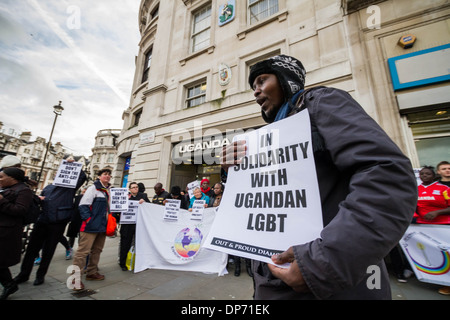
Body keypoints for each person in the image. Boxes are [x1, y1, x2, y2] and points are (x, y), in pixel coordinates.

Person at [221, 54, 417, 299]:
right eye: (253, 86)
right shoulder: (269, 134)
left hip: (330, 283)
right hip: (274, 281)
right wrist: (234, 172)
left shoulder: (322, 103)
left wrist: (325, 262)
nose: (256, 91)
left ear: (286, 80)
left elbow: (388, 176)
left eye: (261, 81)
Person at [14, 162, 86, 286]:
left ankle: (40, 275)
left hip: (58, 222)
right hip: (42, 220)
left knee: (48, 250)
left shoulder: (70, 188)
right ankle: (23, 274)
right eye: (58, 173)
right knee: (32, 249)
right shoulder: (48, 188)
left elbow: (83, 177)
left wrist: (72, 165)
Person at [71, 168, 112, 290]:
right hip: (90, 226)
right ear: (99, 176)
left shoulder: (109, 190)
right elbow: (83, 206)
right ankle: (75, 279)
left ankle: (91, 272)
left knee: (97, 250)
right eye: (105, 174)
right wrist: (89, 220)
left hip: (102, 226)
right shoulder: (93, 188)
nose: (108, 176)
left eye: (109, 174)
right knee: (83, 252)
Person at [415, 166, 450, 295]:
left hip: (443, 226)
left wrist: (437, 212)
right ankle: (441, 281)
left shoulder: (444, 189)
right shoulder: (416, 190)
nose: (424, 176)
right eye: (422, 174)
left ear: (434, 175)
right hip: (422, 227)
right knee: (433, 256)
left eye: (428, 174)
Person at [0, 168, 33, 300]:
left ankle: (9, 284)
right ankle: (9, 284)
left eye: (2, 177)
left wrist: (1, 200)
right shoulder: (4, 188)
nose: (0, 179)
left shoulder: (24, 190)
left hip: (6, 232)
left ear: (12, 178)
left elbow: (20, 210)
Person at [118, 182, 150, 271]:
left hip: (139, 225)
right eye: (133, 187)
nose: (135, 188)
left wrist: (145, 202)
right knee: (125, 244)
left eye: (136, 187)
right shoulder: (125, 197)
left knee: (140, 244)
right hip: (127, 225)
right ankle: (122, 263)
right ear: (130, 189)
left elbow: (149, 207)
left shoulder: (143, 196)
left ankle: (140, 262)